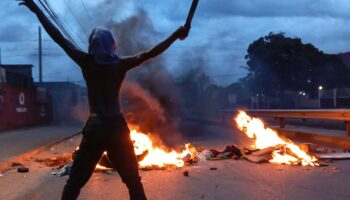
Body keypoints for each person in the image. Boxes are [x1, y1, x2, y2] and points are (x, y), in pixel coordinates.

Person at [18, 0, 190, 199]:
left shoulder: (86, 62)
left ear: (92, 47)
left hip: (96, 127)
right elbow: (151, 52)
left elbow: (58, 37)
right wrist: (176, 35)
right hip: (117, 126)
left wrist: (35, 8)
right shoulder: (120, 65)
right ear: (113, 47)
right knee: (133, 182)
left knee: (74, 183)